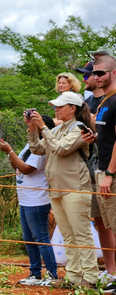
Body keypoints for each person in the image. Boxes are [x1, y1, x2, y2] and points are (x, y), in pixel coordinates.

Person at [27, 91, 98, 288]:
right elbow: (38, 149)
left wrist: (43, 127)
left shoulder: (79, 129)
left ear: (72, 108)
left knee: (81, 234)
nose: (55, 110)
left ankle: (91, 278)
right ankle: (74, 277)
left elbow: (60, 149)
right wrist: (33, 130)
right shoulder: (58, 130)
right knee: (68, 235)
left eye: (59, 106)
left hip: (75, 188)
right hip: (57, 189)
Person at [0, 115, 58, 286]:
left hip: (37, 198)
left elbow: (26, 168)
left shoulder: (42, 146)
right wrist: (11, 155)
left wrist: (10, 151)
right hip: (25, 197)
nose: (28, 126)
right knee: (29, 238)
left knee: (40, 238)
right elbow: (17, 166)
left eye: (32, 123)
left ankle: (52, 274)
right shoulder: (30, 144)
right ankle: (35, 273)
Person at [77, 59, 116, 285]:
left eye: (100, 73)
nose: (95, 76)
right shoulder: (101, 103)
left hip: (109, 172)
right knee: (106, 223)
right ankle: (111, 273)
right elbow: (107, 138)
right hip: (100, 168)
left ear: (113, 73)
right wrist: (94, 138)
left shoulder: (114, 101)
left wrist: (109, 173)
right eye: (95, 73)